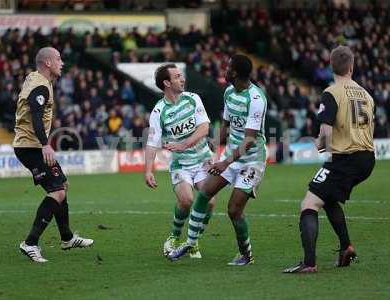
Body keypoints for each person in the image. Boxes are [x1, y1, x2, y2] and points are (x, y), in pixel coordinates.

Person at [167, 54, 268, 266]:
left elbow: (249, 139)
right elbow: (226, 124)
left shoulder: (256, 99)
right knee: (204, 194)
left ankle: (246, 255)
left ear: (236, 73)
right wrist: (215, 142)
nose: (225, 69)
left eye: (229, 67)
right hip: (231, 156)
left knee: (233, 210)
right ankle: (190, 242)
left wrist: (225, 162)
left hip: (251, 161)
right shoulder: (229, 92)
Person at [283, 45, 375, 273]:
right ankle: (346, 247)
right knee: (328, 197)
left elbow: (326, 131)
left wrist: (320, 145)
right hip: (367, 158)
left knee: (309, 203)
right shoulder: (367, 94)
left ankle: (309, 263)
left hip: (345, 158)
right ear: (351, 67)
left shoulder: (331, 92)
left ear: (331, 67)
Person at [13, 47, 93, 263]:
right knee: (57, 192)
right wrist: (45, 144)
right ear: (47, 63)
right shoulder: (40, 85)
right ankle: (30, 243)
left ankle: (67, 238)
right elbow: (36, 115)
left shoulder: (36, 79)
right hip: (32, 146)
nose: (62, 62)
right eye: (58, 59)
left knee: (62, 187)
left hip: (31, 144)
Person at [144, 63, 215, 259]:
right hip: (181, 165)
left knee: (209, 203)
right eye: (177, 77)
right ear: (167, 83)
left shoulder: (193, 99)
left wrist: (184, 144)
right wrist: (148, 170)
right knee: (186, 200)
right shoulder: (159, 111)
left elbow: (204, 129)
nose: (182, 79)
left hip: (203, 161)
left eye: (181, 76)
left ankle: (192, 241)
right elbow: (152, 143)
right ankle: (174, 236)